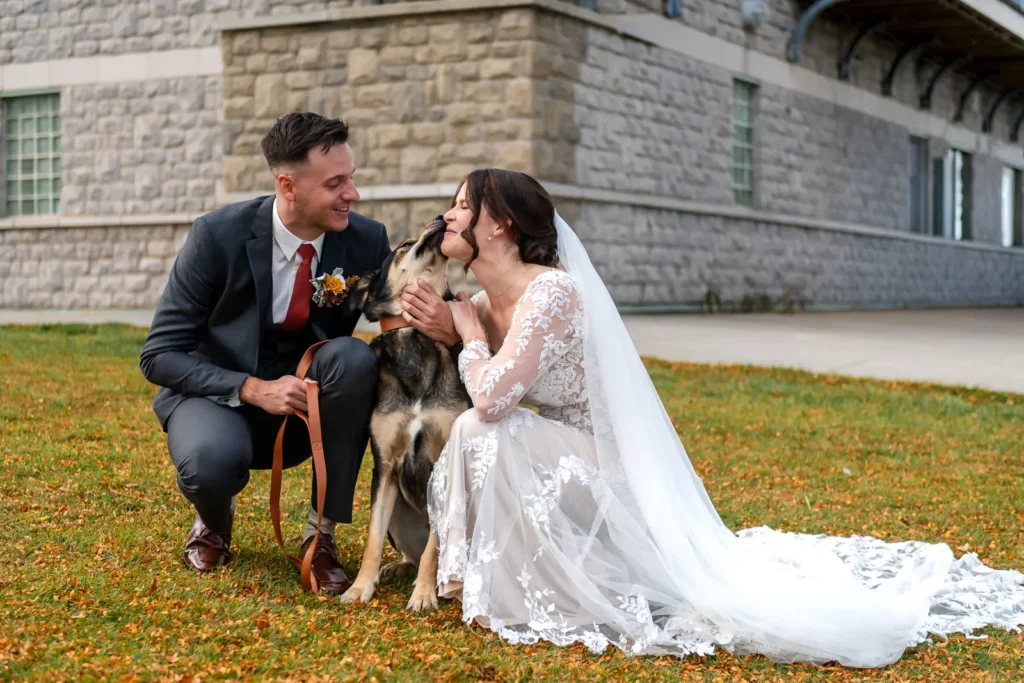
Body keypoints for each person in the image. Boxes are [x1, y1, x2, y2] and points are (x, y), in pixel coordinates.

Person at [397, 168, 1024, 668]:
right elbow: (470, 368)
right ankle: (494, 579)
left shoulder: (551, 291)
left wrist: (469, 335)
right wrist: (446, 327)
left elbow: (492, 398)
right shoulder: (483, 300)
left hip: (613, 471)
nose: (447, 215)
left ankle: (539, 596)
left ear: (500, 223)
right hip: (565, 455)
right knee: (489, 430)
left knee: (487, 427)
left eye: (460, 204)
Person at [140, 113, 405, 593]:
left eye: (352, 178)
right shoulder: (216, 236)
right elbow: (159, 354)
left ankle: (319, 538)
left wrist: (468, 312)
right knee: (210, 463)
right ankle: (214, 522)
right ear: (288, 185)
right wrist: (251, 389)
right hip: (218, 398)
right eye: (336, 183)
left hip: (311, 408)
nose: (353, 194)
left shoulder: (365, 238)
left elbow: (402, 309)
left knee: (354, 357)